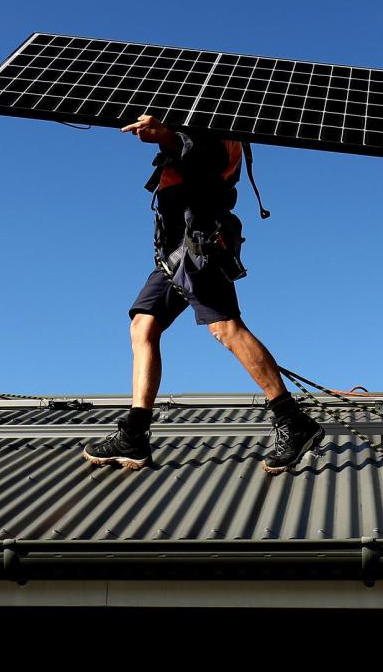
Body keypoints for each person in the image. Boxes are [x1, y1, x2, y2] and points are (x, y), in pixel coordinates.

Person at [83, 114, 324, 474]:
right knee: (143, 326)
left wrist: (168, 137)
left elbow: (205, 157)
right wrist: (169, 135)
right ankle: (135, 433)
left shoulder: (216, 127)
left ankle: (293, 420)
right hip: (177, 250)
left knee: (226, 328)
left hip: (199, 247)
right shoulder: (203, 123)